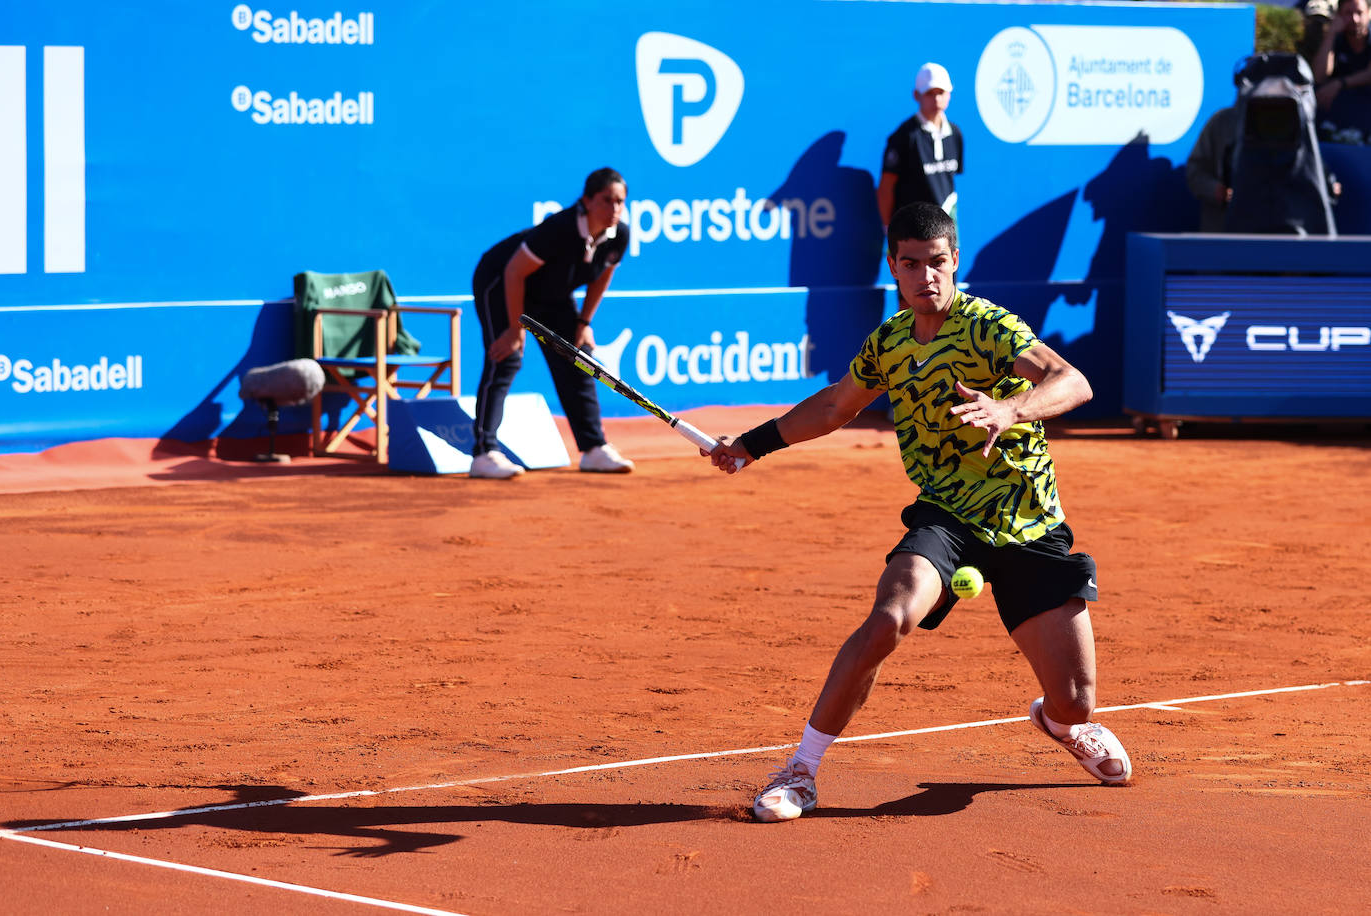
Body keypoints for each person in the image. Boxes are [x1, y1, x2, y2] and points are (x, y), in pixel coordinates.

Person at [707, 202, 1132, 822]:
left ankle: (1061, 724)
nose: (926, 276)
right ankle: (800, 771)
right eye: (911, 264)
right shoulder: (890, 342)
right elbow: (833, 408)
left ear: (954, 261)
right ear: (894, 268)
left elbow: (1073, 381)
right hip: (946, 517)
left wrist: (1010, 410)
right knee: (888, 619)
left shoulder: (988, 327)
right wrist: (751, 444)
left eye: (937, 262)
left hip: (1028, 521)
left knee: (1075, 703)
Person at [470, 167, 636, 478]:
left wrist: (584, 321)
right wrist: (514, 329)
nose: (614, 209)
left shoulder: (620, 234)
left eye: (620, 202)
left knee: (580, 358)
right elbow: (514, 272)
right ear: (587, 200)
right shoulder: (560, 228)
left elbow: (603, 276)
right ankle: (484, 453)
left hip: (552, 293)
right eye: (606, 200)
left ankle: (593, 449)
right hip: (501, 281)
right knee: (507, 357)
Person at [877, 63, 964, 231]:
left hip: (947, 225)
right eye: (930, 93)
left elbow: (949, 181)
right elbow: (886, 186)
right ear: (917, 95)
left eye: (941, 92)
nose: (936, 99)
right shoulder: (904, 136)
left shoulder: (955, 133)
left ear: (950, 94)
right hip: (911, 228)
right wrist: (888, 228)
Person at [1185, 103, 1240, 232]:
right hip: (1221, 232)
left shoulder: (1295, 119)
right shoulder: (1222, 121)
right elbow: (1195, 173)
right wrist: (1217, 190)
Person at [1312, 0, 1371, 115]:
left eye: (1360, 13)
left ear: (1369, 13)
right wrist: (1331, 35)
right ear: (1338, 15)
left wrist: (1339, 83)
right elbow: (1319, 76)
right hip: (1341, 106)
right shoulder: (1336, 39)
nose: (1355, 19)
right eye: (1348, 13)